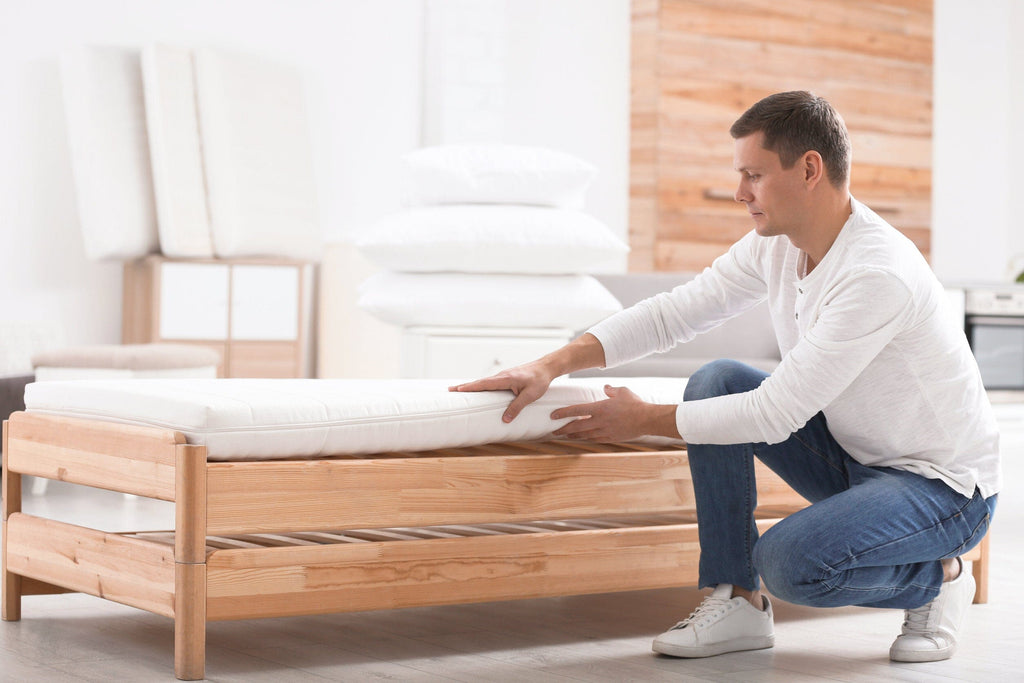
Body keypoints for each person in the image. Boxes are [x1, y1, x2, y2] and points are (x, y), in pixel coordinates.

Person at [450, 90, 1000, 663]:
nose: (741, 193)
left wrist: (644, 420)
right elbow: (676, 312)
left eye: (754, 175)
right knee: (718, 379)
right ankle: (736, 599)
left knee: (791, 565)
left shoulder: (877, 273)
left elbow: (774, 414)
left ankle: (940, 578)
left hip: (944, 489)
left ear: (810, 169)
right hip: (858, 462)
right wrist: (550, 364)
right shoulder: (779, 246)